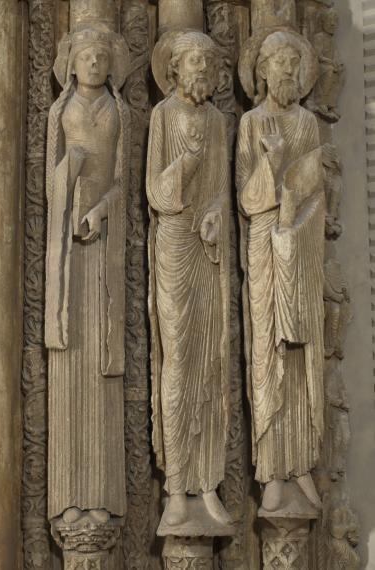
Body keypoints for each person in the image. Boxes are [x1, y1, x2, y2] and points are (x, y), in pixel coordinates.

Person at [237, 30, 325, 512]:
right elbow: (246, 199)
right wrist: (272, 166)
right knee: (269, 349)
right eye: (279, 62)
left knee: (302, 354)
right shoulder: (251, 123)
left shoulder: (308, 123)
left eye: (295, 63)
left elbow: (317, 190)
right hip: (265, 243)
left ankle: (303, 466)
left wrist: (297, 223)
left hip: (302, 245)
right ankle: (272, 469)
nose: (288, 71)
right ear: (262, 70)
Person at [45, 27, 130, 523]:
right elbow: (47, 179)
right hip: (65, 260)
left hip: (104, 252)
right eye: (86, 56)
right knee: (69, 368)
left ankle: (100, 499)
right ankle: (66, 500)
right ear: (71, 65)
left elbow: (121, 180)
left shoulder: (119, 113)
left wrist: (100, 210)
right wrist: (68, 183)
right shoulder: (61, 112)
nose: (95, 62)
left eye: (102, 56)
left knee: (101, 370)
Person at [148, 31, 231, 527]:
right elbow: (155, 191)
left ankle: (208, 483)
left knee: (211, 362)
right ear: (175, 70)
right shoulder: (162, 117)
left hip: (209, 247)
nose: (201, 69)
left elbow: (221, 187)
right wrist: (185, 165)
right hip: (175, 244)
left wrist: (217, 213)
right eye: (193, 61)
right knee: (178, 361)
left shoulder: (218, 120)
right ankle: (177, 486)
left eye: (208, 61)